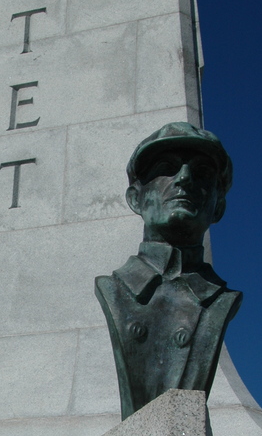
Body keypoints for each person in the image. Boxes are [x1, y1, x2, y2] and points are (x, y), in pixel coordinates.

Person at [95, 122, 242, 420]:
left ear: (218, 208)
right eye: (167, 168)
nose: (184, 178)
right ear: (135, 198)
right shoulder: (114, 290)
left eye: (202, 172)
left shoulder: (220, 301)